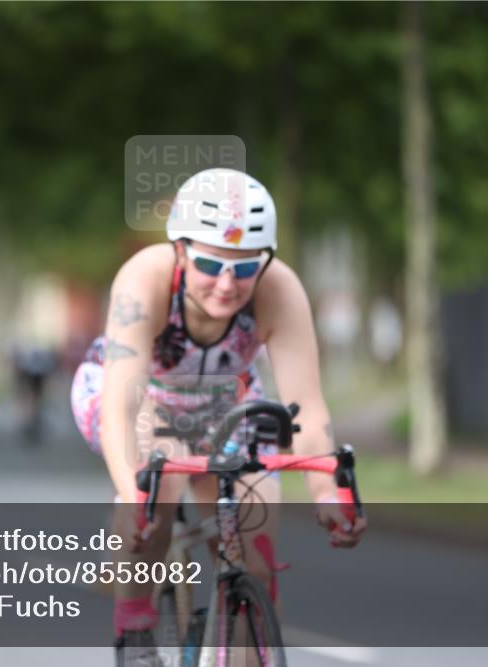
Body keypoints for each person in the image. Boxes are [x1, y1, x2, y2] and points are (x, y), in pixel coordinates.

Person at [70, 168, 367, 665]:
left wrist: (326, 494)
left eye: (245, 268)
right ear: (181, 251)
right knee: (157, 475)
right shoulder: (144, 279)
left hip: (226, 408)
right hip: (137, 398)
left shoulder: (281, 290)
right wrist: (132, 493)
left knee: (256, 546)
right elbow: (121, 405)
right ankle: (136, 635)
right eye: (211, 263)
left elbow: (306, 409)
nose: (228, 284)